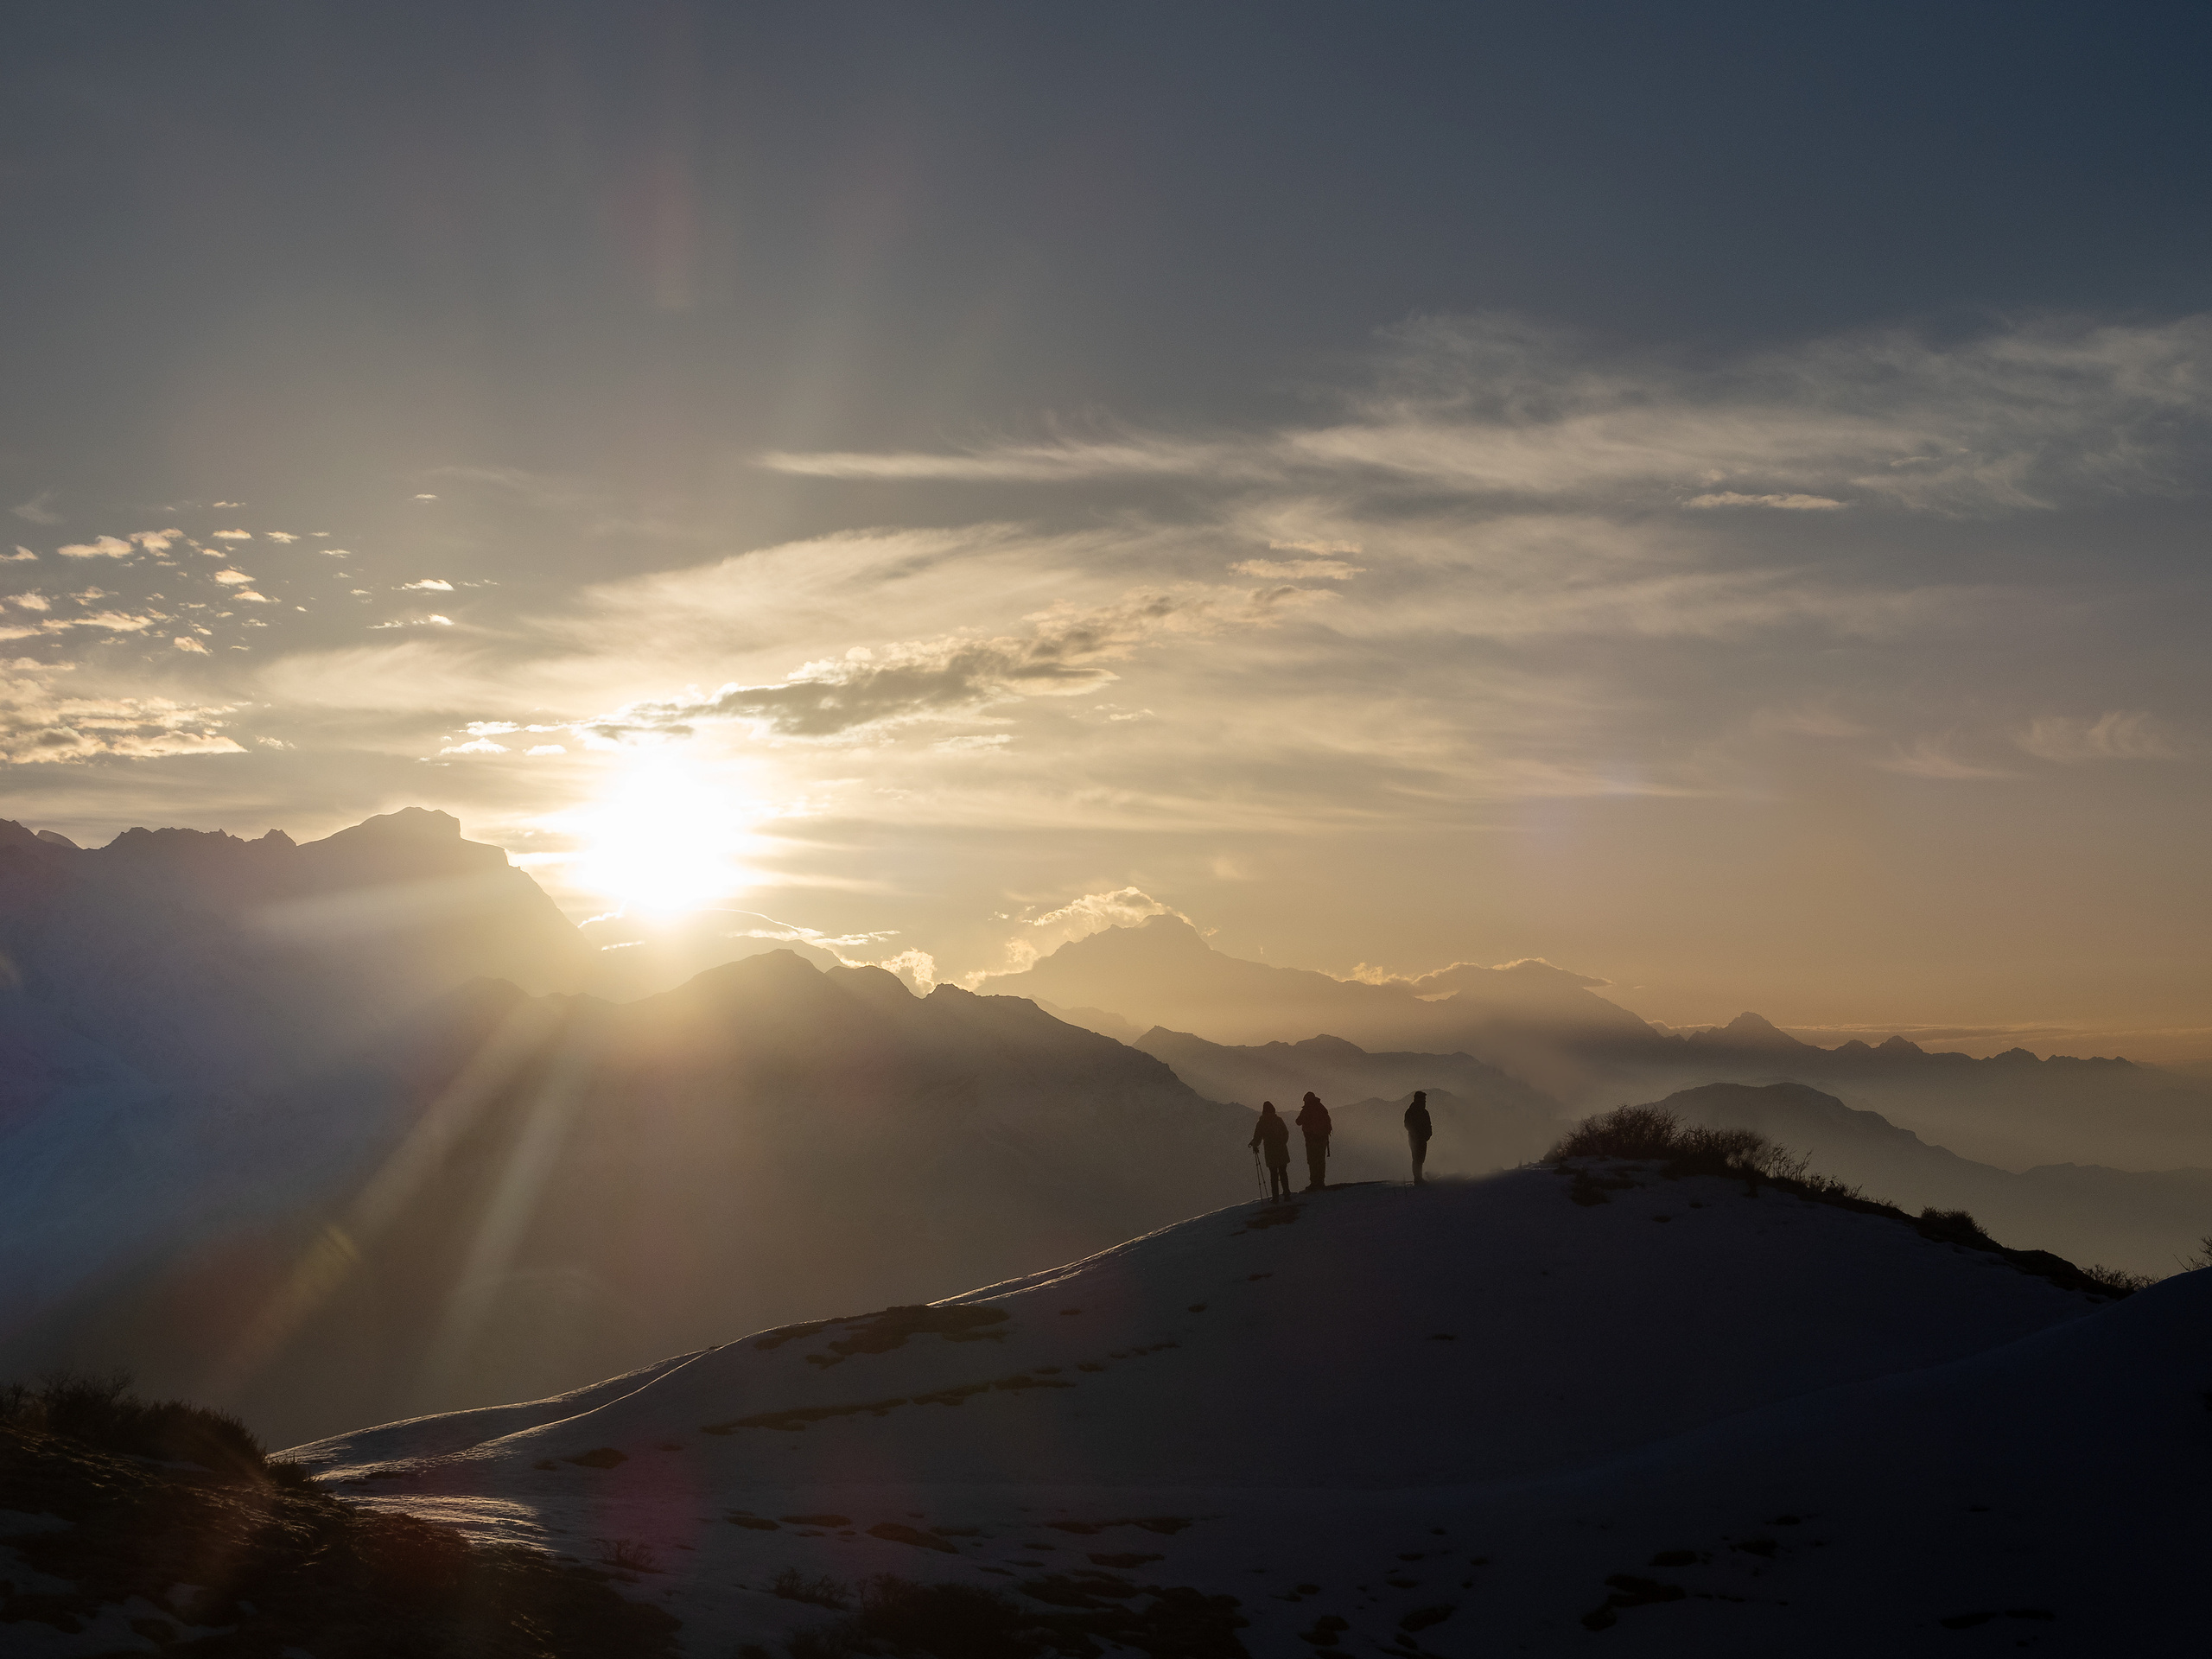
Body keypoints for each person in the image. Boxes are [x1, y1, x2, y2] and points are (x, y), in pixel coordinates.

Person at [1249, 1101, 1292, 1200]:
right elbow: (1286, 1133)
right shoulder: (1279, 1120)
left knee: (1273, 1174)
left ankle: (1275, 1197)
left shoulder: (1262, 1122)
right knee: (1283, 1172)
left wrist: (1255, 1145)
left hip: (1270, 1150)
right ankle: (1286, 1193)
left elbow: (1258, 1137)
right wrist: (1282, 1143)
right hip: (1281, 1149)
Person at [1295, 1091, 1332, 1192]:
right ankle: (1321, 1182)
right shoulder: (1321, 1108)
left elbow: (1298, 1122)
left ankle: (1314, 1182)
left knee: (1312, 1161)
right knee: (1320, 1161)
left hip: (1311, 1140)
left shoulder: (1307, 1109)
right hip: (1322, 1139)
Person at [1404, 1090, 1433, 1185]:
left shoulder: (1424, 1112)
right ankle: (1418, 1179)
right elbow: (1407, 1124)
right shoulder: (1411, 1111)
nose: (1425, 1101)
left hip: (1423, 1139)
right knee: (1417, 1159)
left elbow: (1429, 1125)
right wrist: (1416, 1134)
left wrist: (1428, 1135)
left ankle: (1418, 1178)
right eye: (1423, 1099)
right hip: (1414, 1139)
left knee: (1420, 1159)